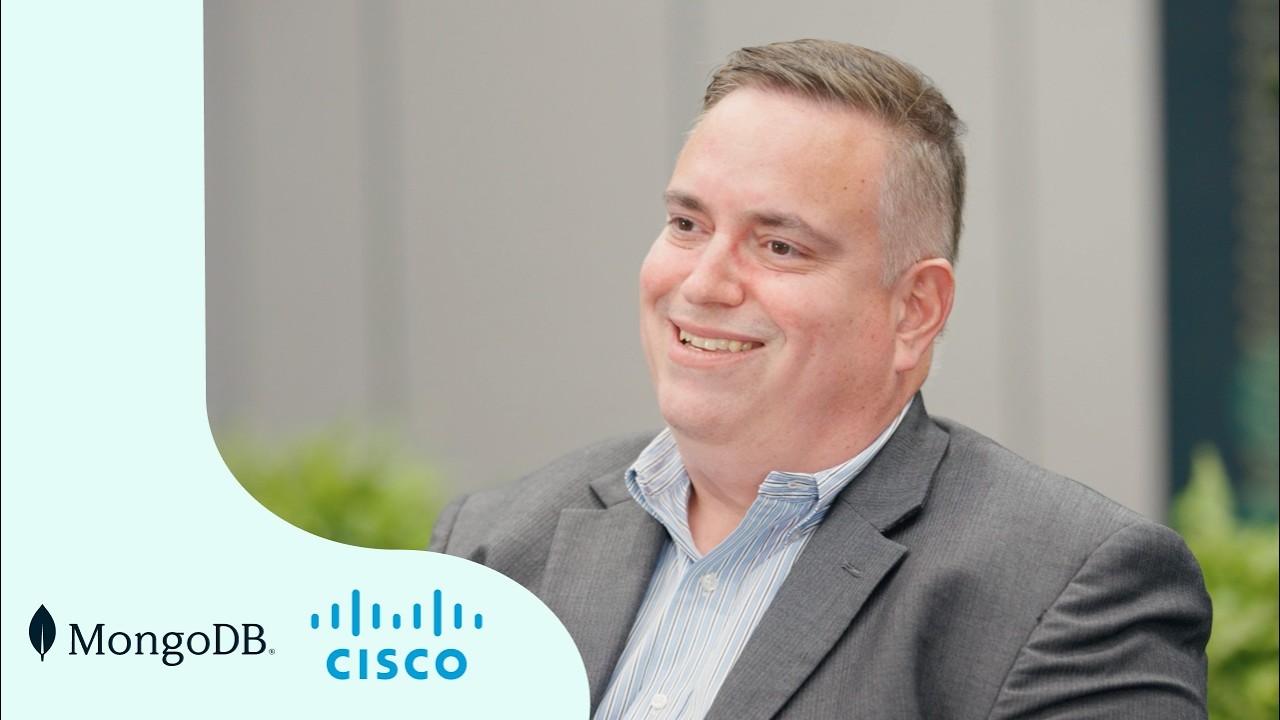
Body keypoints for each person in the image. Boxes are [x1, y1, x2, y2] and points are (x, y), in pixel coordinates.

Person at [430, 39, 1211, 719]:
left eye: (779, 246)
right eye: (687, 224)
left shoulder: (1069, 590)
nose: (702, 282)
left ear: (914, 310)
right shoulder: (497, 545)